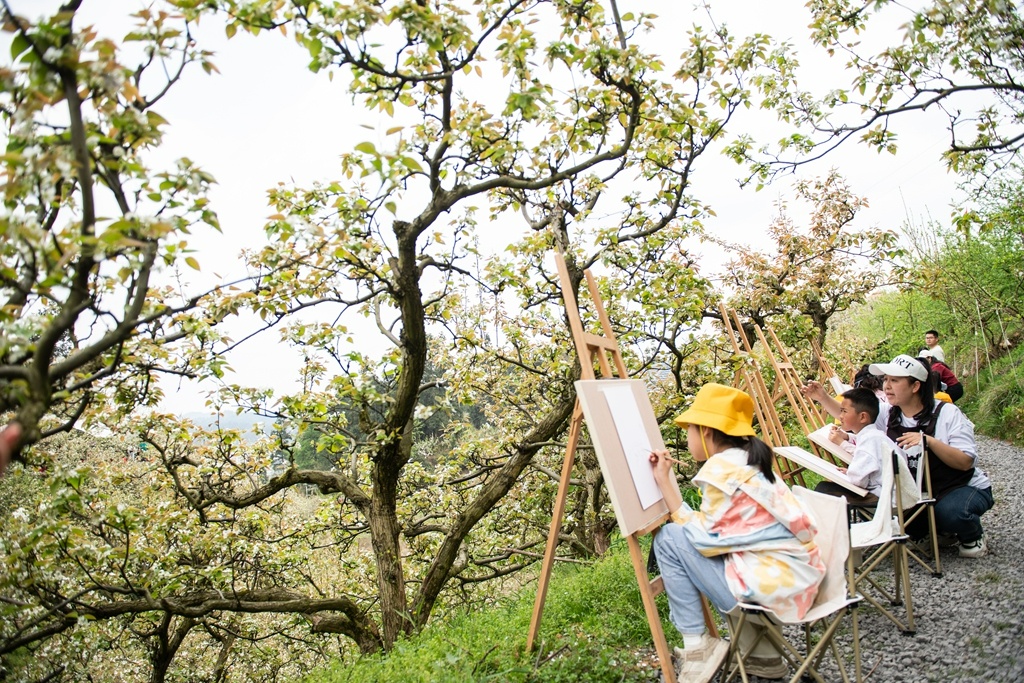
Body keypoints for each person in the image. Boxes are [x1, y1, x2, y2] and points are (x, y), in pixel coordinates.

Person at [649, 384, 825, 682]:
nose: (686, 436)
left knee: (667, 539)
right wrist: (666, 483)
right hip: (796, 577)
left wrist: (664, 486)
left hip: (773, 588)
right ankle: (763, 658)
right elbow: (713, 528)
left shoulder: (722, 472)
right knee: (679, 536)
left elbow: (705, 542)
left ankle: (697, 649)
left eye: (689, 428)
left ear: (705, 431)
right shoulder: (747, 461)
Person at [803, 354, 993, 558]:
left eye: (894, 380)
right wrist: (822, 397)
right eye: (885, 379)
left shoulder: (947, 413)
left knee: (952, 513)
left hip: (957, 487)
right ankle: (937, 531)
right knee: (911, 520)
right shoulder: (889, 413)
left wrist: (929, 442)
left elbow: (965, 462)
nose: (886, 386)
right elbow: (854, 416)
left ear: (915, 386)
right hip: (917, 493)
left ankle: (972, 535)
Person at [814, 387, 895, 507]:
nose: (840, 416)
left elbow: (858, 481)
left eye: (844, 411)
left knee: (824, 488)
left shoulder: (869, 440)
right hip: (890, 492)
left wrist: (850, 473)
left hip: (888, 499)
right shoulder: (875, 435)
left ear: (862, 417)